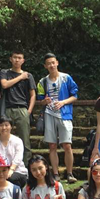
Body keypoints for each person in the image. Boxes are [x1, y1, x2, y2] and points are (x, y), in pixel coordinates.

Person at [37, 53, 79, 183]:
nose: (51, 65)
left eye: (53, 62)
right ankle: (55, 174)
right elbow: (40, 100)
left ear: (57, 63)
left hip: (64, 114)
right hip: (49, 114)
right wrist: (44, 101)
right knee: (52, 145)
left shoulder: (66, 78)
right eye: (48, 63)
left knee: (67, 145)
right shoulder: (42, 81)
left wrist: (63, 102)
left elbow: (75, 96)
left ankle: (69, 173)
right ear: (45, 66)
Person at [0, 50, 36, 165]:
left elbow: (33, 95)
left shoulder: (28, 76)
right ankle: (4, 166)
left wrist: (29, 111)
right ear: (11, 59)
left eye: (19, 58)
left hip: (22, 109)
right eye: (15, 57)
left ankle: (25, 168)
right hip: (7, 109)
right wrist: (20, 77)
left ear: (23, 60)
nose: (17, 60)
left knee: (25, 141)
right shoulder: (5, 72)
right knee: (4, 139)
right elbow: (4, 85)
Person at [0, 116, 28, 188]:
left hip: (18, 171)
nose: (4, 128)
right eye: (1, 125)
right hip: (1, 172)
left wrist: (11, 170)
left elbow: (18, 158)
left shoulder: (18, 141)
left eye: (6, 125)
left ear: (11, 127)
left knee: (11, 179)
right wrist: (4, 172)